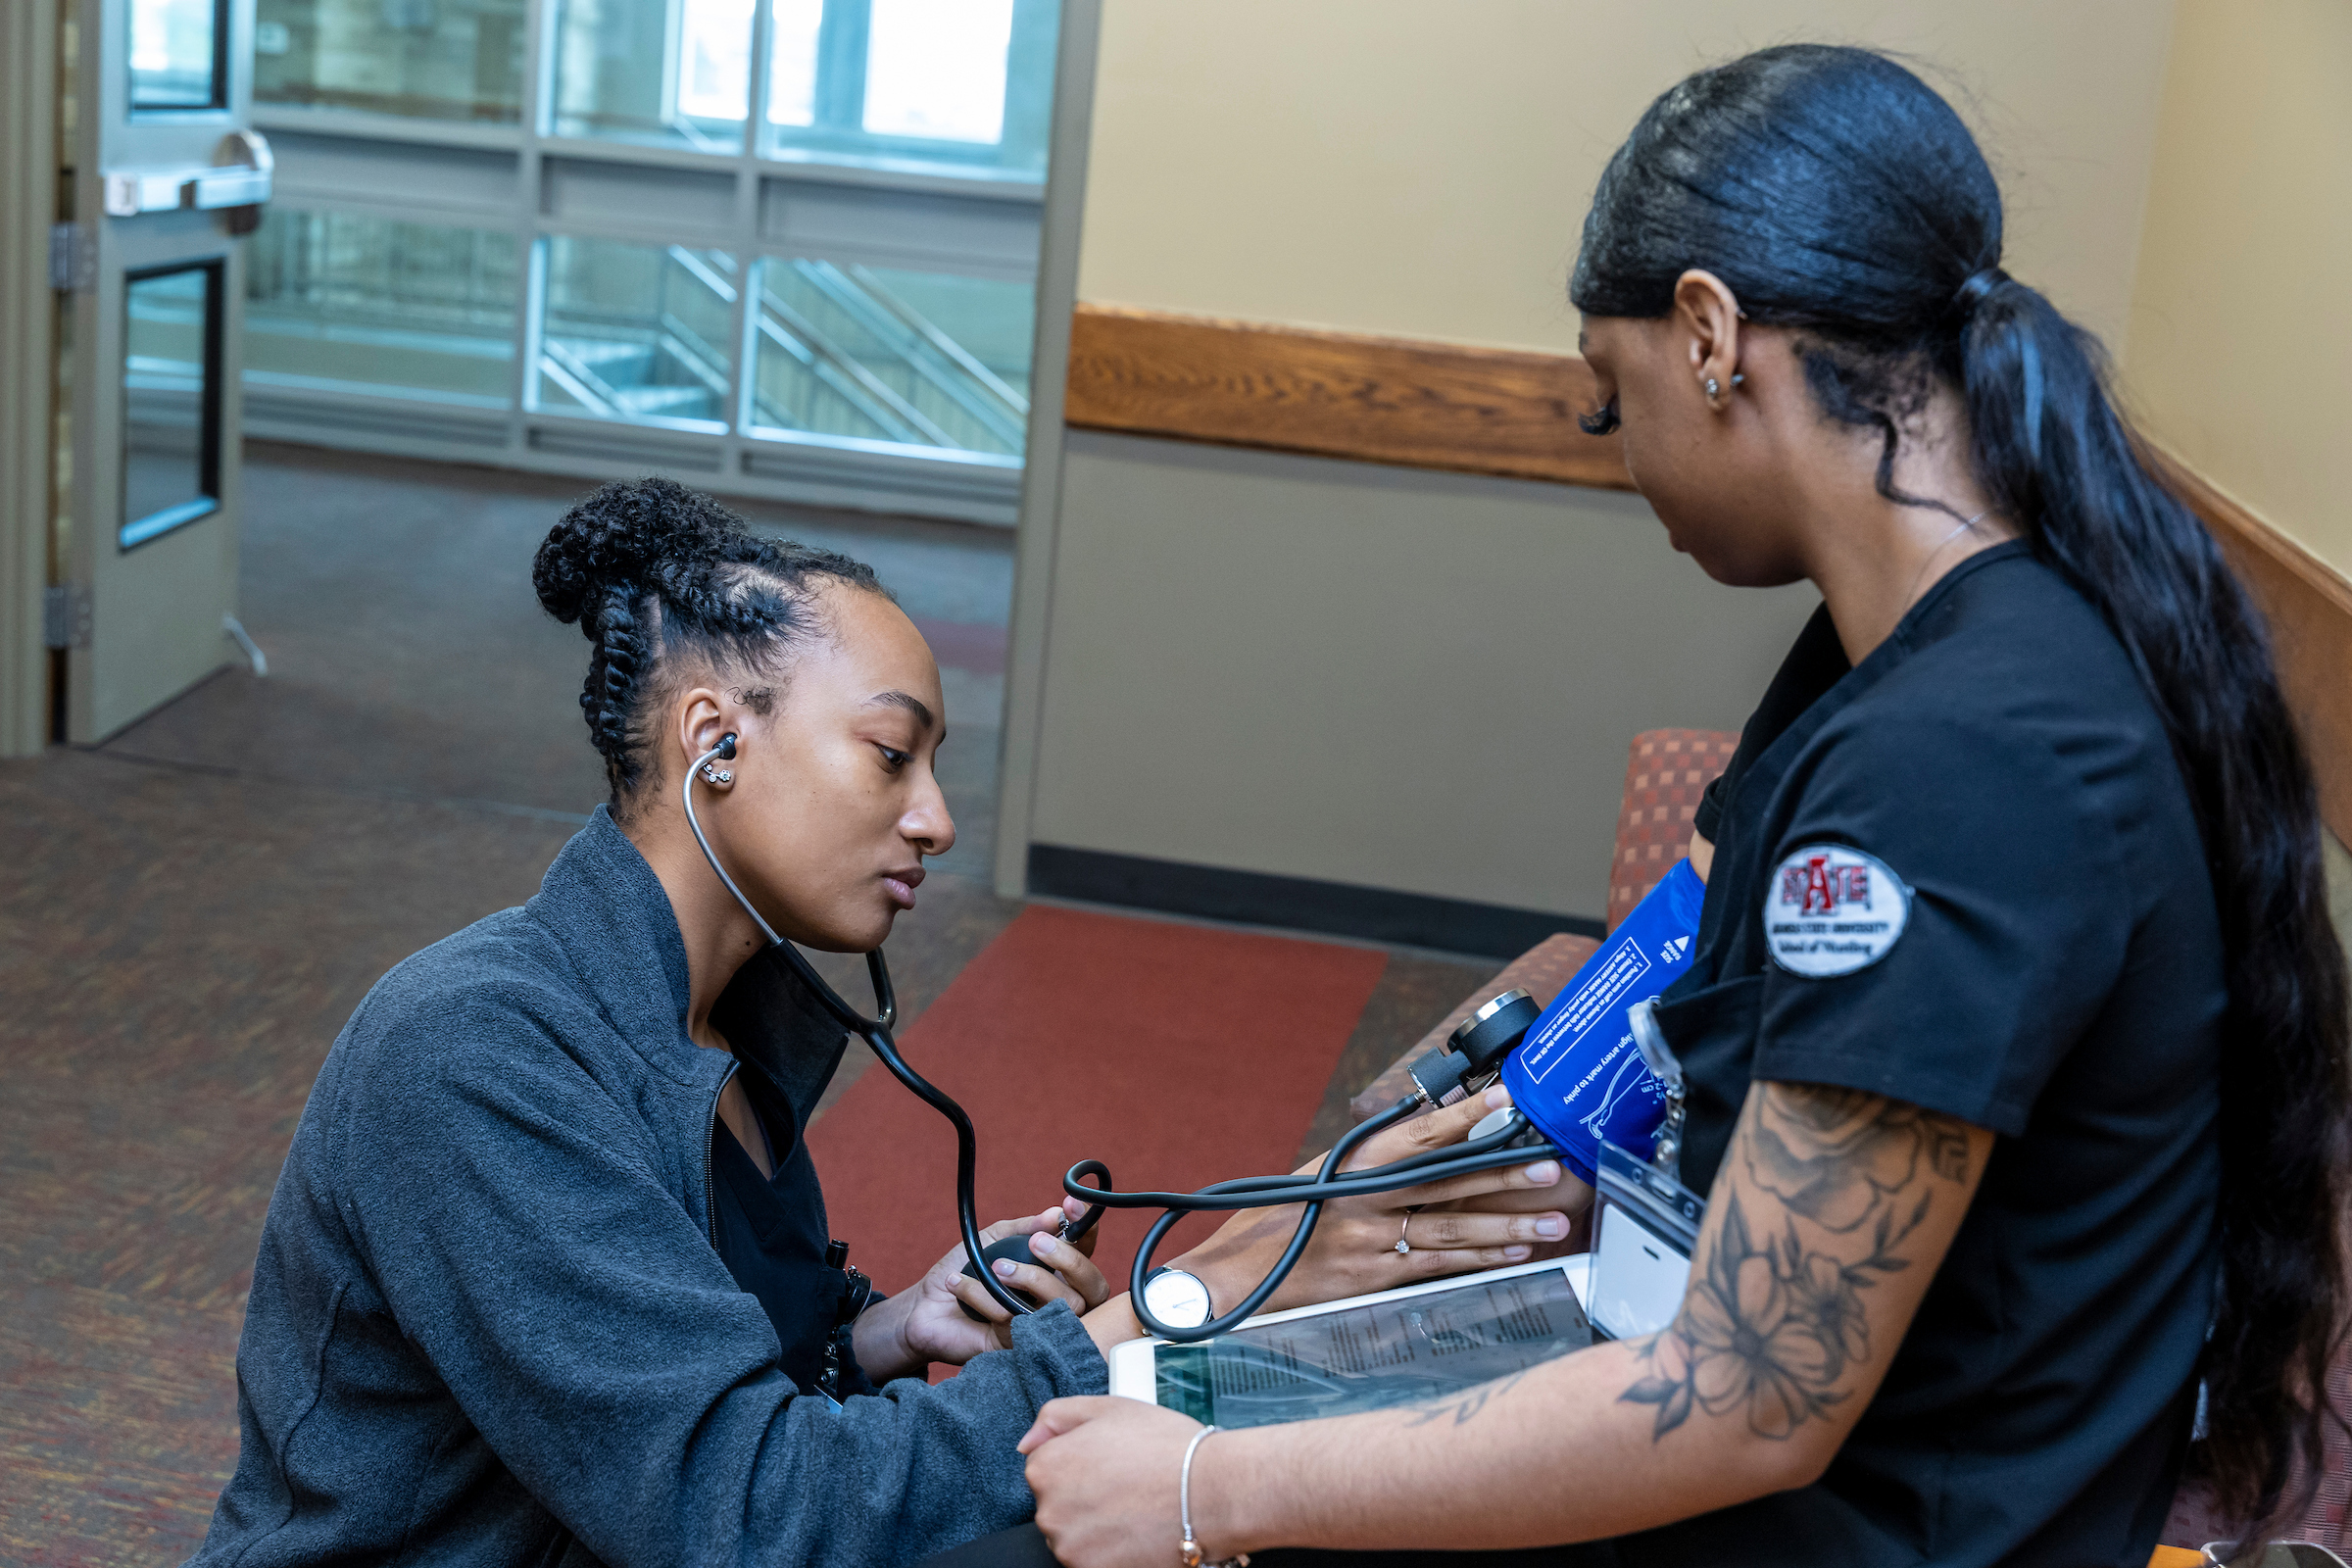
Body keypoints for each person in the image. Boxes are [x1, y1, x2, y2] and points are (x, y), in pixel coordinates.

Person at [1015, 45, 2350, 1568]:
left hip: (1859, 1522)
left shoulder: (1966, 760)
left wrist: (1210, 1488)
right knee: (1111, 1425)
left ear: (1710, 335)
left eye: (1609, 398)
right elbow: (1664, 957)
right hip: (1765, 1422)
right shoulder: (1912, 640)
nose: (1616, 456)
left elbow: (1748, 1398)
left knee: (1069, 1522)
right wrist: (1308, 1234)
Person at [186, 478, 1577, 1568]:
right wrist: (1184, 1300)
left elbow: (705, 1363)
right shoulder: (476, 1056)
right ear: (714, 739)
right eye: (890, 754)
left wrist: (877, 1337)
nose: (935, 820)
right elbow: (745, 1520)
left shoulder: (721, 1024)